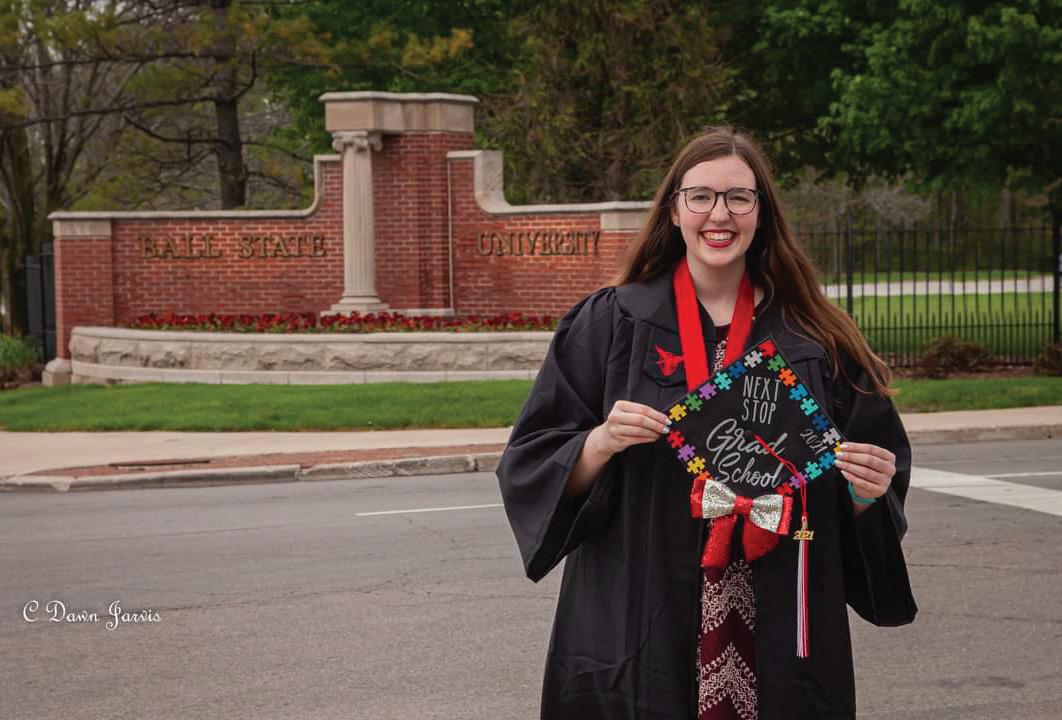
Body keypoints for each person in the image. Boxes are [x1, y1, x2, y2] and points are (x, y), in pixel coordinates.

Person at [496, 126, 917, 720]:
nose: (719, 214)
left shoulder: (816, 336)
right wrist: (600, 442)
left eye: (739, 197)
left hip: (777, 605)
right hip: (641, 609)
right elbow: (531, 459)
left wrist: (867, 492)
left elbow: (872, 472)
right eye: (701, 196)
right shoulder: (611, 322)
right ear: (674, 209)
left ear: (761, 213)